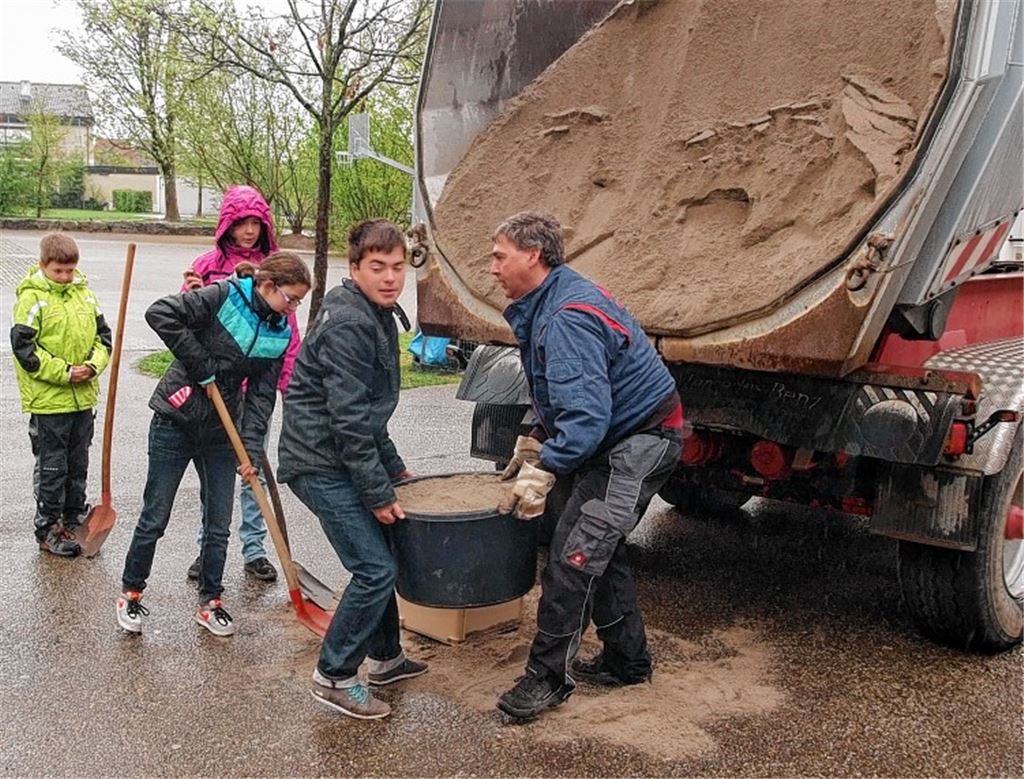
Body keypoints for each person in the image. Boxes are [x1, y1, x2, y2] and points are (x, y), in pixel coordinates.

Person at [490, 212, 684, 720]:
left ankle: (547, 678)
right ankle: (627, 661)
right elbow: (557, 388)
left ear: (533, 256)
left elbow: (586, 418)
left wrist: (544, 468)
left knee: (574, 556)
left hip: (638, 441)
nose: (492, 267)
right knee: (598, 547)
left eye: (499, 255)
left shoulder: (566, 317)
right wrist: (533, 438)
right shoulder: (548, 300)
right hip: (614, 437)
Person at [278, 219, 427, 720]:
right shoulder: (349, 323)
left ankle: (385, 658)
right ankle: (334, 676)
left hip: (340, 454)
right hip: (319, 463)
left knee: (382, 554)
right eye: (377, 267)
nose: (390, 277)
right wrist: (378, 492)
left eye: (397, 267)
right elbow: (348, 423)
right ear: (355, 268)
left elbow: (366, 414)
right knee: (374, 568)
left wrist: (396, 471)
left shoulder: (375, 312)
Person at [116, 253, 311, 637]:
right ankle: (131, 592)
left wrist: (251, 450)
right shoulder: (222, 296)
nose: (293, 309)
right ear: (268, 286)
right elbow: (161, 314)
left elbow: (260, 396)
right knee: (156, 515)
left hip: (223, 430)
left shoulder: (278, 331)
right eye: (291, 299)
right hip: (176, 419)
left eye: (298, 303)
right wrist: (200, 363)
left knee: (218, 521)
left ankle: (210, 601)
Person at [181, 184, 300, 583]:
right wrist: (191, 292)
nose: (249, 230)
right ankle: (207, 549)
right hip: (217, 390)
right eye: (241, 222)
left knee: (254, 471)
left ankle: (255, 550)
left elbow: (288, 331)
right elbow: (189, 323)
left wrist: (287, 384)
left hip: (256, 391)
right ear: (227, 224)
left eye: (256, 222)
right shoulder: (207, 265)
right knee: (214, 475)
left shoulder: (274, 268)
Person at [10, 233, 111, 557]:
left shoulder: (84, 295)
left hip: (83, 397)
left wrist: (92, 367)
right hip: (50, 400)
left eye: (70, 271)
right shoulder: (32, 299)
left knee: (77, 460)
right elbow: (24, 350)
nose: (65, 277)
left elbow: (104, 338)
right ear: (43, 266)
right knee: (53, 467)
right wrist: (65, 371)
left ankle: (73, 515)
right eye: (58, 272)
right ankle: (48, 526)